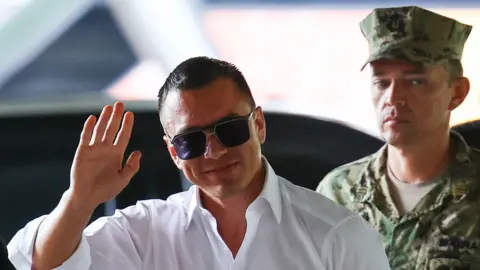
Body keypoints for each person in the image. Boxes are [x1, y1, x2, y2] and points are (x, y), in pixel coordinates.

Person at [8, 57, 390, 270]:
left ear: (258, 124)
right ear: (173, 152)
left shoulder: (338, 235)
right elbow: (43, 264)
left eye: (229, 130)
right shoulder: (145, 232)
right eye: (190, 141)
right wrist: (80, 200)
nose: (214, 152)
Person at [317, 6, 480, 270]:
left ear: (457, 92)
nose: (392, 99)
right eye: (382, 83)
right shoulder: (338, 193)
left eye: (416, 82)